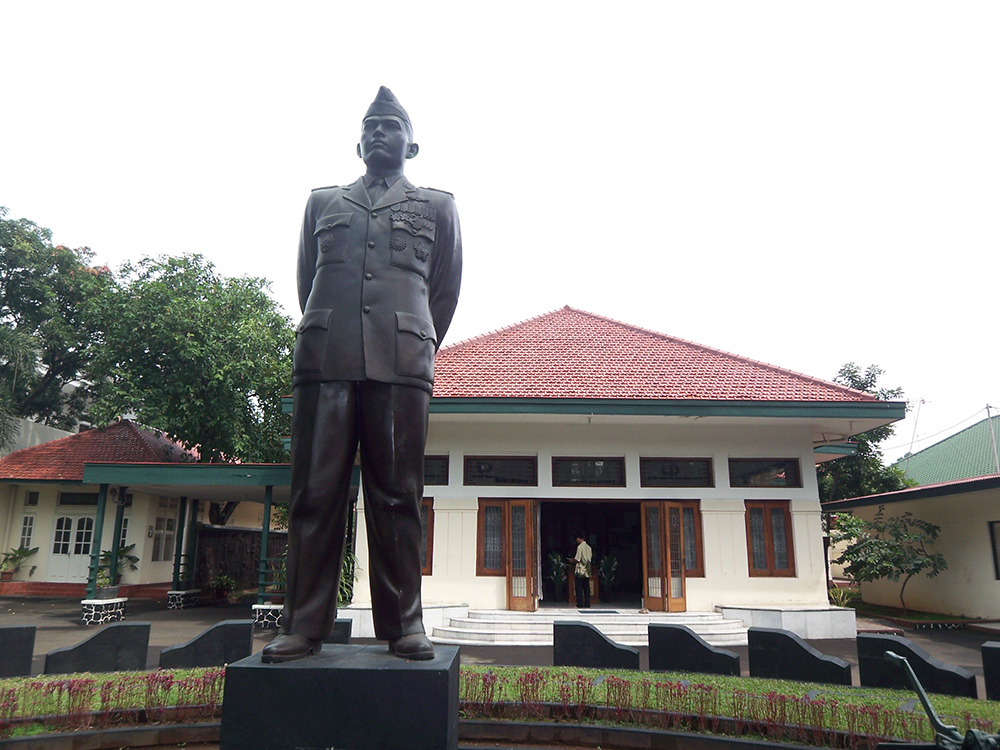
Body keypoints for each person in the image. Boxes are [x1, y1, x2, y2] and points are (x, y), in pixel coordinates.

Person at [262, 87, 462, 663]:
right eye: (370, 125)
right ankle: (301, 624)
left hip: (401, 363)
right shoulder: (322, 202)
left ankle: (404, 626)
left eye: (390, 125)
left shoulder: (438, 207)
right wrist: (339, 330)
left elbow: (443, 292)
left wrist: (413, 340)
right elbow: (308, 282)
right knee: (313, 493)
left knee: (398, 495)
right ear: (358, 142)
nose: (379, 132)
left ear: (411, 143)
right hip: (326, 359)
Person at [569, 532, 593, 608]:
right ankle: (587, 603)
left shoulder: (580, 547)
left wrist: (572, 560)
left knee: (578, 587)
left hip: (580, 570)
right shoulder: (589, 547)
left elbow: (577, 559)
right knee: (586, 587)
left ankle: (580, 603)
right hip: (587, 570)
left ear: (579, 538)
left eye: (577, 539)